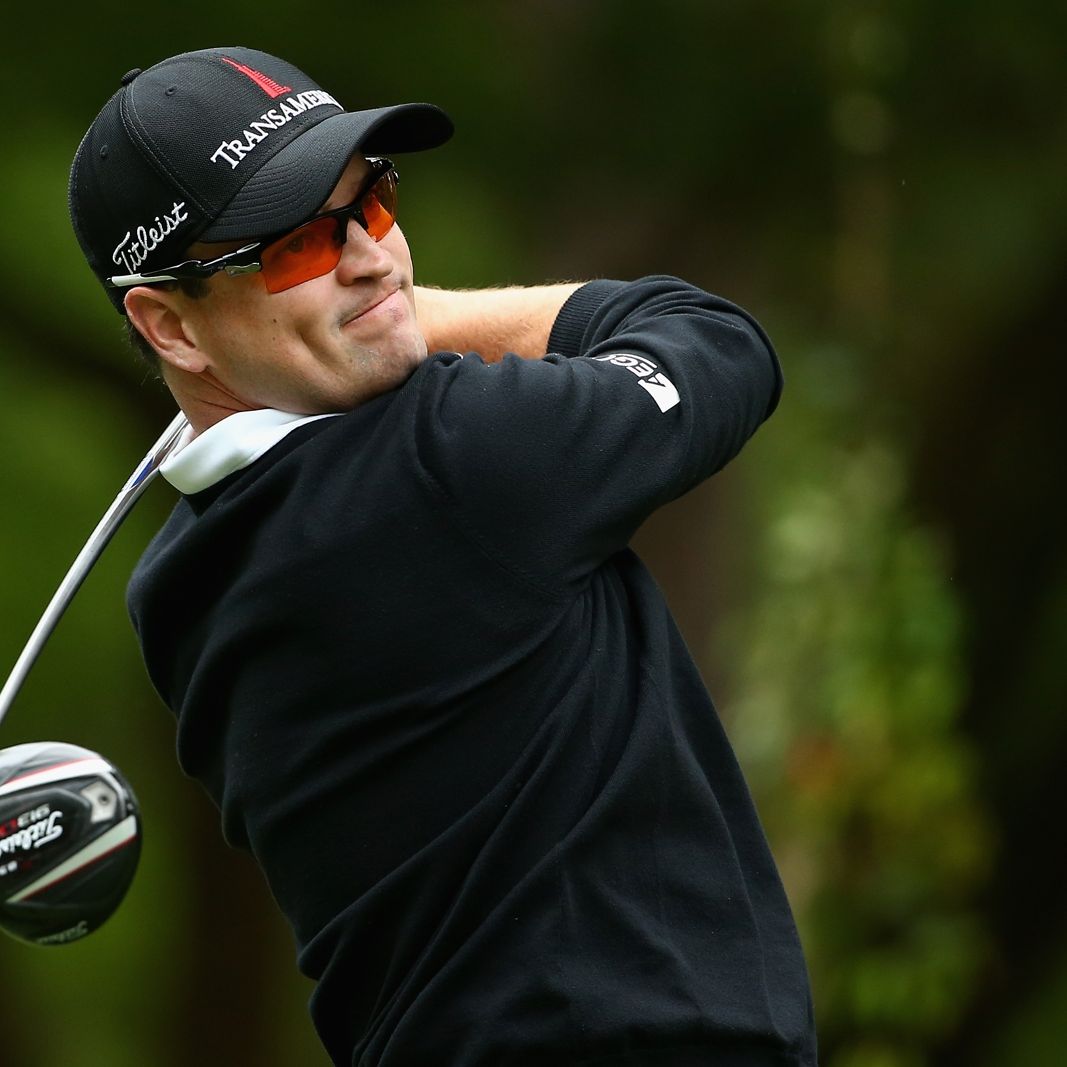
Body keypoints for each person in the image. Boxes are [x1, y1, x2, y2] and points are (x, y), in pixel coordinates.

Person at [69, 46, 817, 1067]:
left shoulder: (179, 589)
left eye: (371, 203)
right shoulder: (453, 457)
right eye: (297, 247)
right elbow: (714, 341)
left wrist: (358, 316)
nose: (372, 259)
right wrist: (413, 316)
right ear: (170, 326)